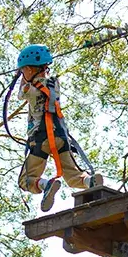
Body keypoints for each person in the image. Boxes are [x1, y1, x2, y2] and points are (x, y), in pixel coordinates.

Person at [15, 44, 103, 212]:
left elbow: (21, 93)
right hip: (61, 136)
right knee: (72, 174)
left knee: (25, 180)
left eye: (23, 70)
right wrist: (27, 71)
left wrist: (22, 76)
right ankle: (89, 181)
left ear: (29, 69)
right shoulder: (54, 83)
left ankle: (45, 184)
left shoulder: (29, 89)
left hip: (41, 139)